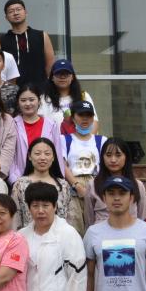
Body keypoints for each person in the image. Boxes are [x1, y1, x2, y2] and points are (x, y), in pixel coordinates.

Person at [60, 100, 107, 233]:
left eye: (89, 115)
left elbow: (106, 165)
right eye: (81, 115)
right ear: (73, 117)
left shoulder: (102, 141)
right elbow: (63, 165)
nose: (85, 118)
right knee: (75, 227)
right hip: (73, 187)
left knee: (98, 226)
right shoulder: (64, 140)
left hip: (97, 185)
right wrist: (77, 185)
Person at [11, 138, 76, 230]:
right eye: (37, 154)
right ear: (29, 156)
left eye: (47, 154)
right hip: (28, 236)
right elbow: (15, 218)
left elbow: (71, 218)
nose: (42, 158)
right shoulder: (20, 185)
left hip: (59, 236)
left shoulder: (63, 185)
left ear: (53, 157)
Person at [10, 83, 65, 185]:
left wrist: (58, 180)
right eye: (23, 100)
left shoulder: (51, 124)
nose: (28, 104)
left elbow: (57, 153)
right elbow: (10, 154)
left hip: (48, 181)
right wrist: (15, 180)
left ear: (39, 101)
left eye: (32, 100)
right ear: (18, 102)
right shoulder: (12, 124)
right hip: (20, 180)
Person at [85, 138, 146, 226]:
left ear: (126, 157)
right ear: (102, 157)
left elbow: (142, 218)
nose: (113, 160)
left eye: (118, 155)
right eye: (108, 155)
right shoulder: (93, 185)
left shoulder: (138, 186)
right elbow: (89, 219)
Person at [0, 0, 55, 87]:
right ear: (6, 17)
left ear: (26, 12)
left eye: (18, 9)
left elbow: (50, 65)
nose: (15, 13)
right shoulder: (0, 41)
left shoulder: (42, 36)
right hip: (13, 91)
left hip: (40, 89)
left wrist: (50, 87)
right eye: (11, 11)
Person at [40, 59, 97, 135]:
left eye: (66, 74)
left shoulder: (83, 96)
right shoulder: (44, 99)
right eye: (58, 74)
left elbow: (94, 122)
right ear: (52, 77)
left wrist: (87, 140)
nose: (62, 77)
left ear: (72, 77)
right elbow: (40, 125)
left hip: (80, 141)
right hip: (53, 142)